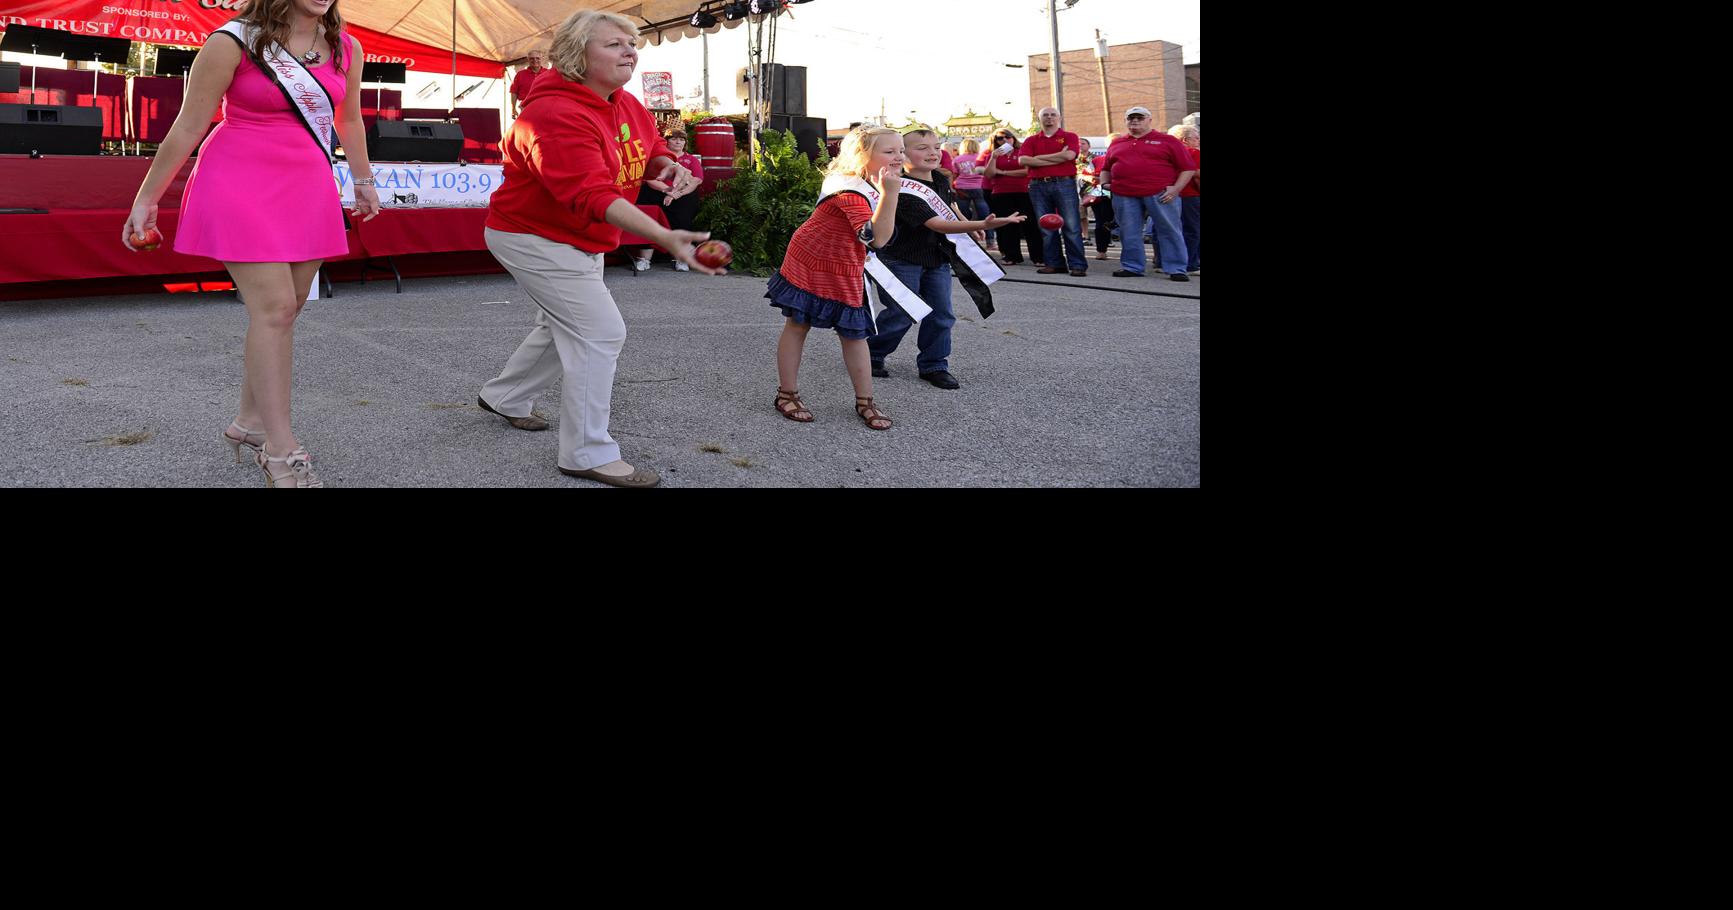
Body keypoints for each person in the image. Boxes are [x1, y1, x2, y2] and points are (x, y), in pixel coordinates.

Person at [123, 0, 381, 489]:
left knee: (289, 308)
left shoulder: (347, 47)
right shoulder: (230, 40)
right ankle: (280, 450)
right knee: (276, 308)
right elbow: (188, 124)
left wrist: (363, 180)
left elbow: (348, 120)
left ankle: (249, 421)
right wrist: (147, 199)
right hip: (239, 177)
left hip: (308, 183)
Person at [478, 10, 715, 488]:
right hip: (532, 236)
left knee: (563, 325)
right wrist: (663, 235)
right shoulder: (551, 114)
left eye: (632, 43)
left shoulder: (623, 101)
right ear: (575, 55)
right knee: (600, 332)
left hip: (576, 237)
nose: (630, 50)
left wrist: (670, 167)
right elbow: (591, 195)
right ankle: (586, 451)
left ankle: (505, 397)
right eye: (614, 44)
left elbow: (649, 152)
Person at [764, 127, 902, 430]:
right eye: (889, 152)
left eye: (901, 151)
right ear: (862, 155)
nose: (898, 157)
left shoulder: (876, 182)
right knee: (798, 324)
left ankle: (865, 400)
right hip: (812, 260)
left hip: (845, 265)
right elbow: (876, 239)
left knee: (854, 334)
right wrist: (891, 194)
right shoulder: (848, 188)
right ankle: (786, 394)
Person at [868, 129, 1025, 390]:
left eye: (936, 146)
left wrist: (968, 223)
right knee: (901, 313)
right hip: (901, 258)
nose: (932, 152)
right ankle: (873, 353)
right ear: (902, 154)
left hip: (937, 258)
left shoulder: (940, 180)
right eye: (922, 148)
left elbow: (949, 207)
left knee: (942, 313)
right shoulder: (900, 187)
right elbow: (937, 224)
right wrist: (980, 222)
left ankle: (934, 364)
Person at [1099, 105, 1196, 281]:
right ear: (1126, 121)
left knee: (1169, 230)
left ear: (1149, 120)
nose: (1135, 121)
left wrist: (1176, 189)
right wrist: (1105, 183)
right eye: (1131, 118)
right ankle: (1133, 266)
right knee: (1128, 231)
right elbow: (1106, 168)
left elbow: (1187, 168)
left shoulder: (1168, 141)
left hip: (1160, 194)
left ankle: (1176, 268)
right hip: (1124, 194)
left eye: (1140, 118)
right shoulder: (1117, 143)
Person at [1020, 106, 1086, 277]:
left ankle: (1077, 264)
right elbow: (1023, 160)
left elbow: (1069, 156)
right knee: (1046, 225)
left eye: (1053, 115)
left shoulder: (1069, 136)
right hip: (1038, 185)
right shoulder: (1031, 140)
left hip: (1064, 184)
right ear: (1040, 119)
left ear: (1060, 118)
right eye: (1046, 115)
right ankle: (1054, 263)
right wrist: (1057, 156)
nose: (1049, 118)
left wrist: (1036, 160)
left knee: (1071, 226)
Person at [632, 128, 705, 271]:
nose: (678, 142)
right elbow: (650, 178)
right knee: (647, 216)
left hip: (682, 195)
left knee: (683, 216)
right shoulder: (658, 159)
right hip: (659, 191)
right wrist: (669, 191)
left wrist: (678, 193)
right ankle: (644, 259)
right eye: (674, 139)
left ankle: (680, 259)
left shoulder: (691, 160)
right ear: (666, 141)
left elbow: (696, 181)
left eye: (682, 139)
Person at [983, 128, 1044, 267]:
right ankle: (1011, 255)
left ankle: (1038, 256)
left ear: (1013, 138)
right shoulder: (993, 155)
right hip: (1001, 192)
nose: (1004, 140)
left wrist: (1003, 172)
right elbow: (989, 174)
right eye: (1000, 138)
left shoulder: (1022, 151)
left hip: (1024, 191)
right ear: (995, 141)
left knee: (1031, 225)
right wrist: (993, 158)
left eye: (1008, 137)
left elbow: (1026, 172)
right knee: (1006, 225)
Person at [1169, 122, 1200, 276]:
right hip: (1190, 195)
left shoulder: (1168, 152)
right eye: (1196, 138)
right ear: (1184, 140)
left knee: (1169, 230)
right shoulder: (1193, 152)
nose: (1198, 141)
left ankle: (1162, 261)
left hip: (1169, 194)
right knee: (1192, 230)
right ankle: (1191, 263)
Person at [953, 138, 990, 243]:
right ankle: (990, 240)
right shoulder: (982, 158)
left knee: (964, 215)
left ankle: (968, 239)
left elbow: (954, 174)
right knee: (985, 214)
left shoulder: (957, 159)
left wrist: (952, 186)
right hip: (980, 187)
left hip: (962, 188)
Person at [509, 48, 547, 119]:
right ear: (528, 59)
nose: (535, 60)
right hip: (525, 108)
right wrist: (513, 109)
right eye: (532, 58)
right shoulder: (520, 75)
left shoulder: (548, 73)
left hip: (544, 107)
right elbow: (514, 92)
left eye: (537, 58)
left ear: (542, 59)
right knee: (527, 129)